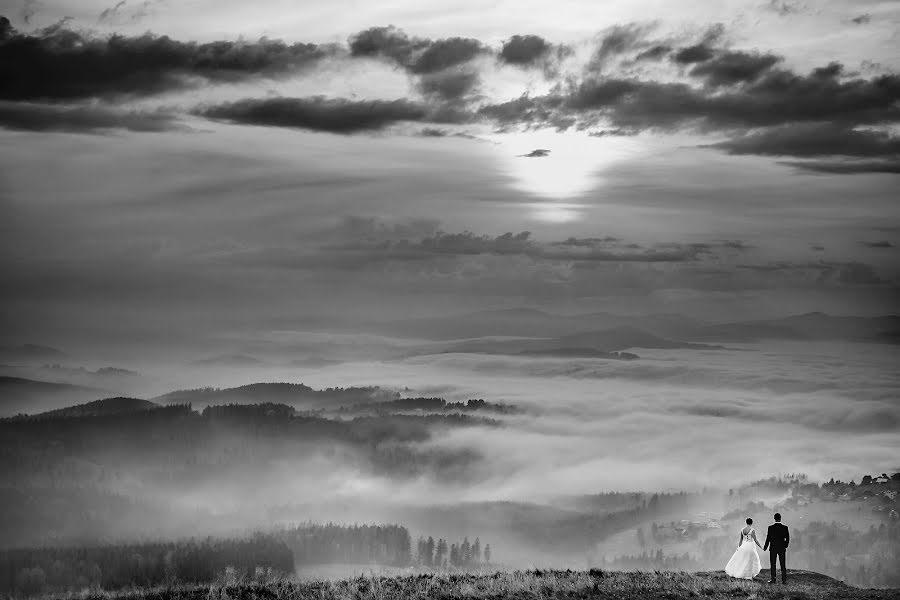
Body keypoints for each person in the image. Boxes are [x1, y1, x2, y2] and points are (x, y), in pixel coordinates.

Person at [763, 513, 789, 584]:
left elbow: (768, 538)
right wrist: (785, 545)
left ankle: (773, 579)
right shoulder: (785, 527)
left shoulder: (770, 528)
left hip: (773, 548)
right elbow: (787, 538)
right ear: (780, 518)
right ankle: (784, 580)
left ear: (774, 519)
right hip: (782, 548)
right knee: (783, 564)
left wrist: (765, 547)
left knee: (773, 564)